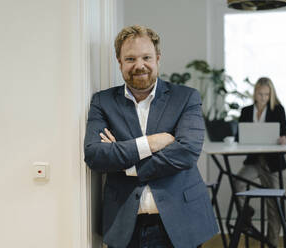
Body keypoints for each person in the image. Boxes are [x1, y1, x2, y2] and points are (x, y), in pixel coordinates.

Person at [84, 25, 218, 248]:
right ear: (119, 61)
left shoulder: (185, 98)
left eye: (146, 57)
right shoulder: (102, 102)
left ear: (157, 58)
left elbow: (186, 152)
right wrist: (151, 143)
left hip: (181, 222)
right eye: (130, 59)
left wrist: (126, 163)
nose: (139, 65)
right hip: (124, 225)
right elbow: (95, 155)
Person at [235, 77, 286, 248]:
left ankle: (271, 243)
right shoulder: (246, 111)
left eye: (267, 94)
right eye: (260, 94)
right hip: (254, 161)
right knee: (238, 183)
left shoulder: (278, 110)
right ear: (255, 93)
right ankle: (246, 213)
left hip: (273, 164)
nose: (263, 97)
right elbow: (239, 136)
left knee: (274, 206)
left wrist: (283, 139)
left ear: (271, 94)